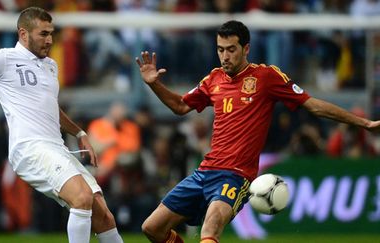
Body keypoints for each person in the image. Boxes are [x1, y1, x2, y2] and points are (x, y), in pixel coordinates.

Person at [135, 20, 380, 243]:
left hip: (236, 175)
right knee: (152, 228)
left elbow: (313, 105)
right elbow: (180, 106)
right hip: (205, 171)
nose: (225, 56)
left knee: (210, 228)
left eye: (231, 49)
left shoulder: (266, 77)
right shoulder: (213, 79)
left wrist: (363, 123)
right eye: (220, 49)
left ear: (246, 49)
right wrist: (154, 84)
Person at [0, 7, 123, 243]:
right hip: (30, 147)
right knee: (81, 197)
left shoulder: (51, 66)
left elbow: (50, 106)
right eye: (43, 34)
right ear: (23, 34)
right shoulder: (1, 59)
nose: (49, 40)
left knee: (103, 215)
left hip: (56, 147)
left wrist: (79, 132)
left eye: (51, 33)